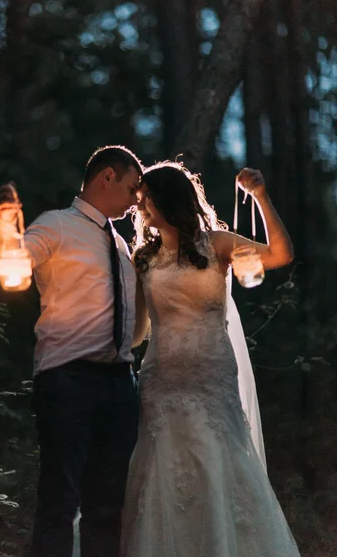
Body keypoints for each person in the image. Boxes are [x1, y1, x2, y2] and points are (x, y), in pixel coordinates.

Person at [120, 162, 300, 557]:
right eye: (140, 198)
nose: (141, 205)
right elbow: (137, 333)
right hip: (162, 380)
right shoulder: (143, 258)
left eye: (148, 196)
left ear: (169, 197)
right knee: (161, 467)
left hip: (210, 376)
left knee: (220, 458)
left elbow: (280, 254)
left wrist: (261, 197)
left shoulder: (215, 244)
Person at [0, 146, 143, 557]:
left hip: (122, 387)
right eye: (131, 189)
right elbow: (13, 273)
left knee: (108, 507)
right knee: (61, 499)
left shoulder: (123, 248)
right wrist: (7, 224)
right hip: (68, 380)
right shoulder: (56, 225)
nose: (134, 202)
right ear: (106, 177)